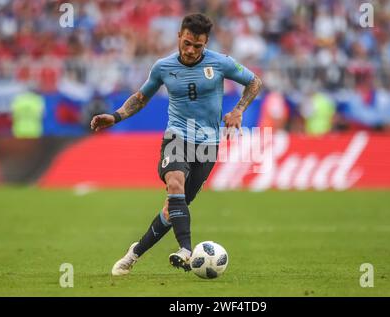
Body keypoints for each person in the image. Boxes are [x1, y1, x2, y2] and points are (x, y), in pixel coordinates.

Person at [90, 13, 262, 276]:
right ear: (179, 37)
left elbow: (254, 81)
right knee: (174, 183)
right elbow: (140, 97)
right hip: (177, 136)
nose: (192, 50)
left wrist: (238, 109)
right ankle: (185, 250)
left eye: (198, 46)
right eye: (188, 43)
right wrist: (114, 116)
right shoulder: (163, 67)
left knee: (173, 209)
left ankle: (135, 252)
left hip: (208, 144)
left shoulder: (220, 63)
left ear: (206, 44)